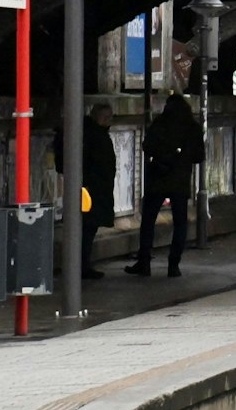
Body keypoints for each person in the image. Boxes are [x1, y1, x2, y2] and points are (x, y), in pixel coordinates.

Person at [127, 95, 201, 278]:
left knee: (149, 219)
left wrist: (162, 157)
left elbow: (147, 146)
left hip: (158, 177)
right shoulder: (192, 127)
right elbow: (199, 156)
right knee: (180, 222)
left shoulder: (161, 123)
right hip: (180, 180)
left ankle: (144, 260)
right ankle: (173, 264)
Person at [81, 104, 117, 279]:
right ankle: (82, 265)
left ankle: (83, 264)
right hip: (91, 188)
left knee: (89, 228)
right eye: (106, 117)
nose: (109, 120)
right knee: (87, 227)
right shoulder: (94, 135)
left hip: (96, 187)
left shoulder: (95, 133)